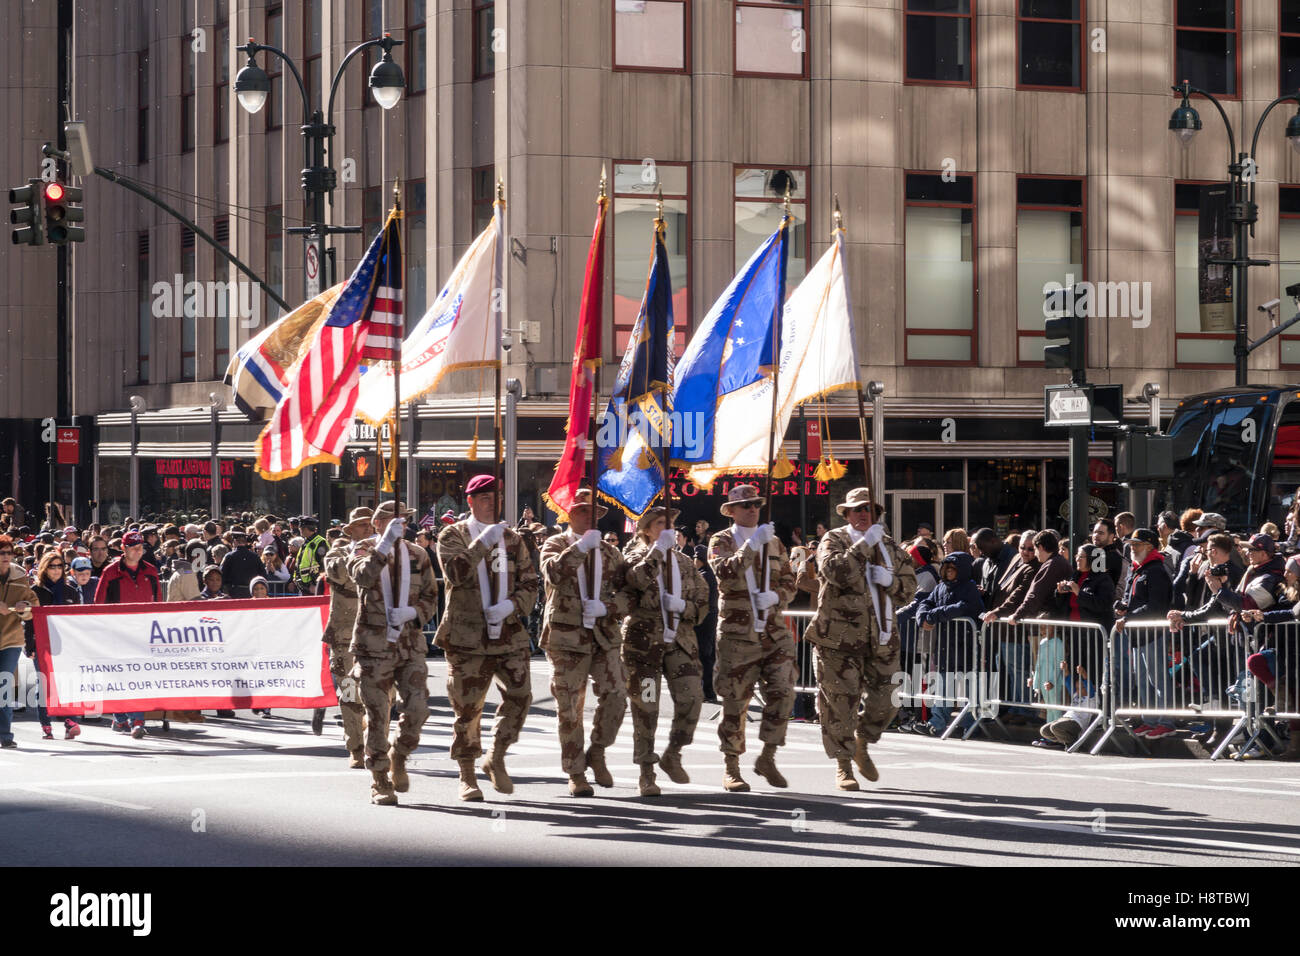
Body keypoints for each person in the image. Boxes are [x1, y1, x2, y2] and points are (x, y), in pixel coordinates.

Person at [434, 474, 538, 802]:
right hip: (467, 636)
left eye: (496, 499)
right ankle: (467, 773)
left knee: (520, 696)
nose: (491, 504)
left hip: (508, 633)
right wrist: (484, 541)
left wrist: (512, 605)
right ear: (470, 502)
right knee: (467, 708)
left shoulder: (512, 539)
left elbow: (530, 583)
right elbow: (457, 574)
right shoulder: (452, 535)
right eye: (484, 499)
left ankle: (496, 754)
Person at [808, 488, 916, 789]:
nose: (864, 514)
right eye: (857, 510)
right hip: (838, 639)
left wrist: (891, 581)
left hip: (881, 637)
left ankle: (862, 740)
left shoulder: (889, 546)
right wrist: (862, 547)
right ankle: (843, 765)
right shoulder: (833, 539)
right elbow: (834, 572)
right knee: (839, 704)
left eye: (870, 510)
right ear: (846, 514)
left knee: (889, 698)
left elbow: (909, 587)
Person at [539, 489, 630, 797]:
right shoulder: (555, 543)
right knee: (569, 706)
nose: (588, 515)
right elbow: (553, 574)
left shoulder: (610, 552)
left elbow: (628, 593)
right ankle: (575, 771)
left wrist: (610, 607)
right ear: (569, 515)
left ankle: (598, 750)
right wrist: (579, 548)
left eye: (592, 511)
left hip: (603, 635)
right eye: (580, 511)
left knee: (617, 695)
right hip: (566, 636)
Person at [707, 484, 798, 792]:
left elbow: (789, 580)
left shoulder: (774, 542)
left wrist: (776, 595)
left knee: (784, 690)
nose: (752, 509)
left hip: (772, 629)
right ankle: (731, 767)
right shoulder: (721, 540)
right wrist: (750, 546)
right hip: (737, 633)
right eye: (745, 505)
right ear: (731, 511)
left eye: (756, 504)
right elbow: (725, 572)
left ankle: (768, 756)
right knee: (735, 700)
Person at [348, 501, 437, 806]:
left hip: (409, 644)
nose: (400, 524)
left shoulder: (418, 554)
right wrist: (383, 544)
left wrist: (413, 611)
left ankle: (399, 752)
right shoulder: (362, 549)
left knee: (417, 709)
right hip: (373, 647)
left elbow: (431, 596)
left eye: (403, 520)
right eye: (390, 520)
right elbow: (361, 576)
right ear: (377, 524)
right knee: (376, 715)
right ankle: (379, 779)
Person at [620, 505, 708, 796]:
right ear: (646, 529)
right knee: (646, 707)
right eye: (661, 523)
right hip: (644, 646)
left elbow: (703, 603)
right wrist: (658, 551)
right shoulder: (634, 556)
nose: (668, 527)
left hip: (680, 642)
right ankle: (646, 771)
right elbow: (636, 579)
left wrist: (684, 607)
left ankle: (674, 751)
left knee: (693, 698)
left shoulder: (684, 563)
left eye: (671, 522)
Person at [901, 551, 982, 737]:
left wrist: (934, 615)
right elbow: (925, 603)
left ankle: (969, 723)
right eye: (947, 569)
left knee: (968, 684)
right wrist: (923, 617)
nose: (949, 572)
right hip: (945, 645)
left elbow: (964, 607)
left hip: (965, 644)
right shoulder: (940, 587)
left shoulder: (969, 587)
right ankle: (936, 723)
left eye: (953, 569)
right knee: (944, 684)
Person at [92, 530, 161, 738]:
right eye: (133, 547)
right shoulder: (111, 572)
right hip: (117, 634)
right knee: (118, 677)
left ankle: (137, 720)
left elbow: (159, 603)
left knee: (139, 676)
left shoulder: (150, 571)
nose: (138, 550)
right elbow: (98, 604)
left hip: (143, 633)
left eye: (140, 546)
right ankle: (120, 717)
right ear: (124, 549)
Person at [317, 507, 372, 759]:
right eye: (362, 526)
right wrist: (360, 552)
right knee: (349, 692)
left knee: (379, 696)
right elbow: (341, 574)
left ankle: (375, 743)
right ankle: (356, 748)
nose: (368, 530)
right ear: (350, 530)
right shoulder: (337, 553)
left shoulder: (382, 552)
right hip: (344, 636)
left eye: (371, 525)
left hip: (375, 635)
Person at [1114, 527, 1175, 740]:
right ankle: (1149, 720)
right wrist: (1122, 607)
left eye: (1136, 544)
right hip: (1138, 633)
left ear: (1149, 546)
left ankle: (1166, 721)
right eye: (1131, 544)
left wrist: (1128, 617)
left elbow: (1156, 605)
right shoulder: (1138, 568)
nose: (1132, 548)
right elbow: (1134, 600)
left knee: (1158, 679)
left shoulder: (1156, 570)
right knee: (1143, 680)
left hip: (1152, 632)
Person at [0, 536, 39, 748]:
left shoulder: (20, 575)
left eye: (9, 553)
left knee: (4, 686)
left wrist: (24, 608)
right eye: (2, 553)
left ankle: (5, 735)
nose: (6, 557)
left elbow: (33, 604)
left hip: (11, 639)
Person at [693, 545, 719, 703]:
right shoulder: (709, 575)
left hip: (703, 620)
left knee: (704, 656)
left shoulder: (703, 576)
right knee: (706, 654)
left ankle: (707, 690)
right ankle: (707, 690)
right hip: (710, 619)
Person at [293, 516, 329, 594]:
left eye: (301, 528)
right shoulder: (306, 542)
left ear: (306, 528)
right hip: (304, 585)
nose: (300, 530)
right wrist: (295, 577)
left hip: (313, 585)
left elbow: (323, 565)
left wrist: (315, 583)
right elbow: (300, 562)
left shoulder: (320, 542)